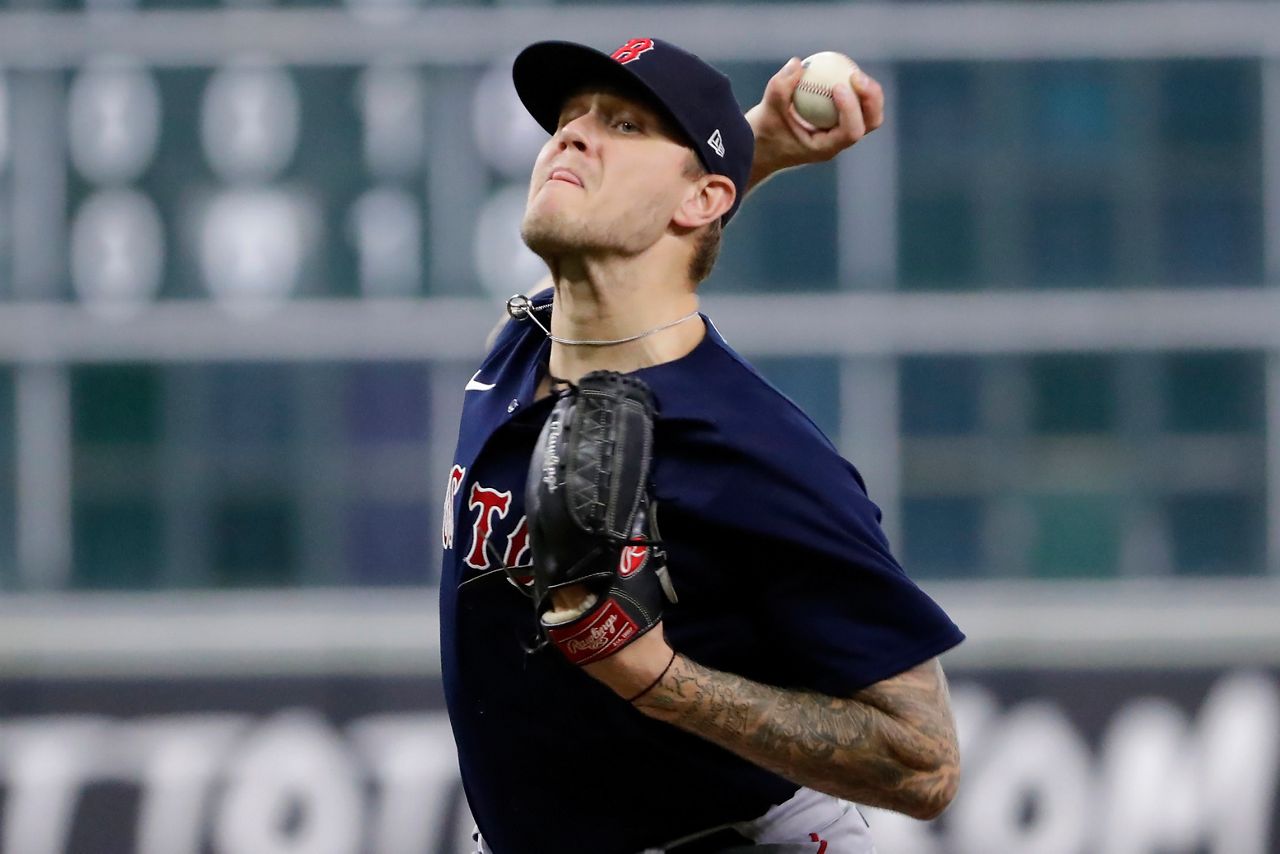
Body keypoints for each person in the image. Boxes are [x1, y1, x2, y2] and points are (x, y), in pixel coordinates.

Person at [440, 37, 963, 854]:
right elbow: (647, 250)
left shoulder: (753, 449)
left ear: (703, 199)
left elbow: (924, 761)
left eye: (623, 124)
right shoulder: (520, 347)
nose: (572, 136)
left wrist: (657, 679)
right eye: (568, 119)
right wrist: (757, 138)